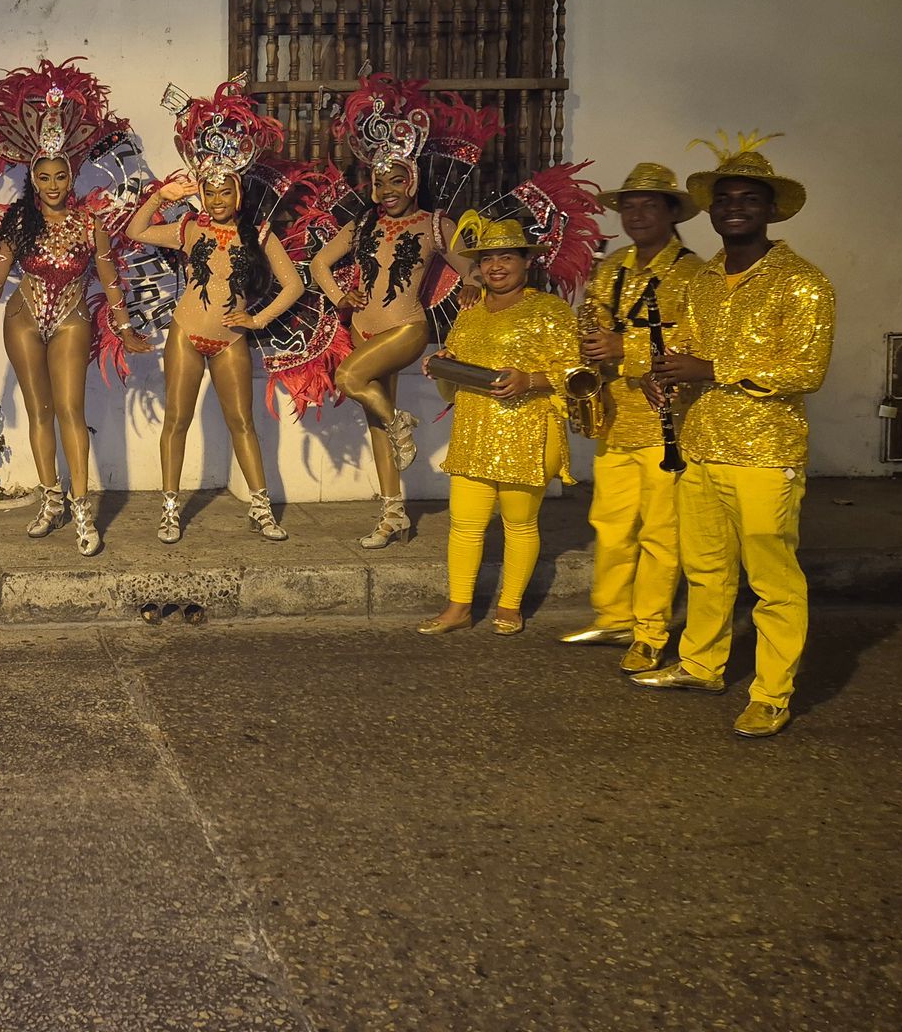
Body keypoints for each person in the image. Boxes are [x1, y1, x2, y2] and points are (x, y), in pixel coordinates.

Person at [633, 133, 834, 739]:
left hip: (766, 452)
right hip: (700, 442)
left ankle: (772, 692)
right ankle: (701, 662)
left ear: (772, 209)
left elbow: (806, 369)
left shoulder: (802, 282)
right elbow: (686, 346)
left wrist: (712, 371)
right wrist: (659, 374)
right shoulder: (701, 281)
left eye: (749, 198)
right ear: (713, 212)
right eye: (724, 199)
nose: (734, 207)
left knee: (771, 578)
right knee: (706, 567)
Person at [0, 59, 150, 556]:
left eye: (59, 176)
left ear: (71, 175)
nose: (52, 184)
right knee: (38, 409)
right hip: (22, 317)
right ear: (33, 177)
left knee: (70, 408)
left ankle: (82, 508)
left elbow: (109, 280)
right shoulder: (19, 222)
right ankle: (50, 499)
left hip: (70, 318)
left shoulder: (92, 224)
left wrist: (125, 327)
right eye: (43, 176)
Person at [125, 79, 306, 545]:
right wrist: (161, 197)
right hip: (186, 332)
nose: (219, 199)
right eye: (211, 191)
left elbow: (295, 284)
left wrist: (259, 320)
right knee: (177, 421)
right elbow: (137, 231)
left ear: (239, 194)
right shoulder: (186, 229)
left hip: (231, 340)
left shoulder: (260, 235)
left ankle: (261, 507)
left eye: (226, 191)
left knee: (242, 422)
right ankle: (169, 510)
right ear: (202, 194)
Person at [306, 82, 478, 550]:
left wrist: (469, 292)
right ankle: (393, 515)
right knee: (377, 424)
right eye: (379, 182)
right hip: (364, 328)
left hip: (406, 327)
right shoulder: (362, 223)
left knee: (347, 378)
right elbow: (320, 263)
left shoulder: (434, 224)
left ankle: (404, 423)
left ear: (413, 180)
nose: (386, 190)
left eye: (396, 180)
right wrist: (341, 296)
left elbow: (474, 271)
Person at [560, 165, 703, 673]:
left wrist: (627, 345)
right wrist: (590, 340)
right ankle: (615, 615)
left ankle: (650, 631)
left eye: (649, 206)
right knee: (611, 523)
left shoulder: (693, 272)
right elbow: (596, 317)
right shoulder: (613, 264)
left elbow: (697, 340)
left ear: (671, 213)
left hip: (669, 421)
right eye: (629, 206)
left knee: (660, 533)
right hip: (618, 416)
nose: (636, 215)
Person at [419, 214, 580, 636]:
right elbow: (456, 364)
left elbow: (578, 372)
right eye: (487, 258)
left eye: (506, 256)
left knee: (520, 524)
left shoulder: (550, 310)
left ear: (528, 262)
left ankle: (510, 605)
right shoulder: (470, 314)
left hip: (527, 431)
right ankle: (458, 607)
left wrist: (530, 380)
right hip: (474, 429)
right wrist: (440, 366)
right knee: (465, 524)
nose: (496, 266)